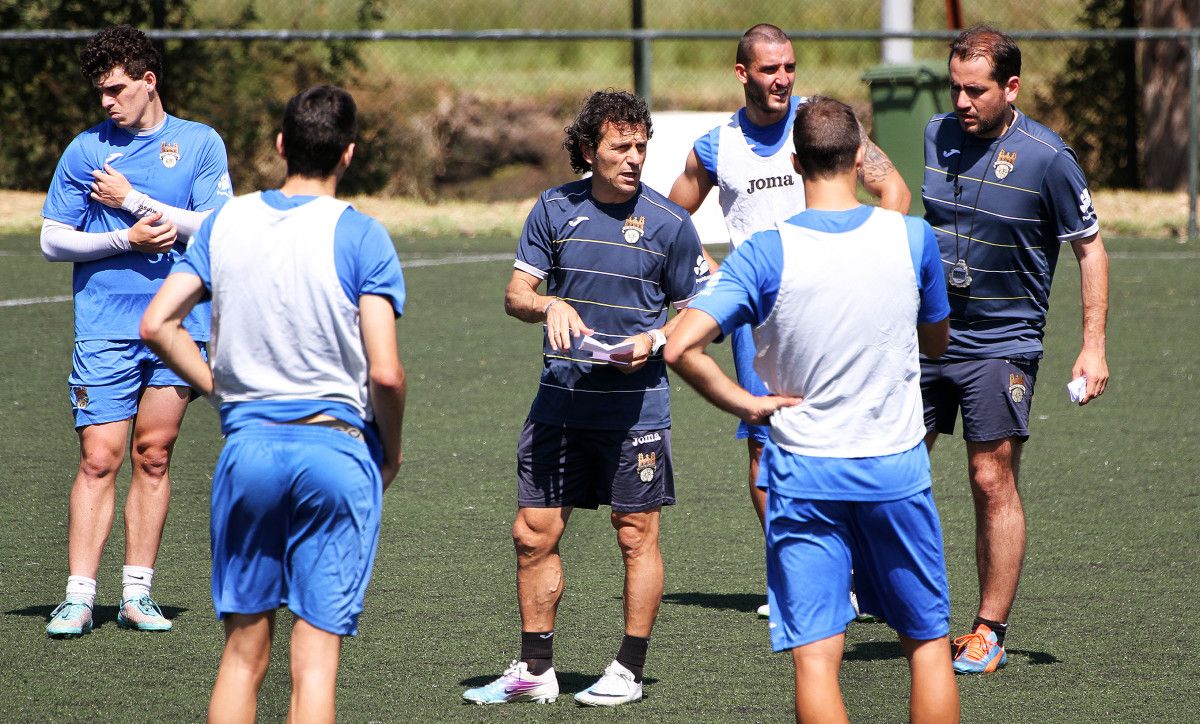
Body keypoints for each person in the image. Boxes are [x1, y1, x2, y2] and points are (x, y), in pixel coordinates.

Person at [664, 96, 958, 724]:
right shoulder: (911, 237)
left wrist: (748, 404)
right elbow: (937, 342)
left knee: (817, 658)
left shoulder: (764, 252)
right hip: (894, 469)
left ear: (795, 163)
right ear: (860, 158)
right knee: (928, 645)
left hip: (802, 473)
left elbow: (680, 346)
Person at [140, 84, 406, 722]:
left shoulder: (226, 223)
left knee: (241, 654)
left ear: (282, 145)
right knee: (313, 664)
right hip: (336, 450)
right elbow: (388, 374)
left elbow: (158, 324)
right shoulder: (363, 236)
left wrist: (220, 390)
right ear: (348, 154)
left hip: (249, 449)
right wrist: (389, 453)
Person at [462, 90, 706, 708]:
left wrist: (653, 340)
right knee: (532, 533)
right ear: (589, 150)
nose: (633, 158)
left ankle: (627, 669)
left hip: (636, 406)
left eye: (641, 147)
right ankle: (536, 668)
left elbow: (701, 309)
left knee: (635, 534)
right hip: (561, 401)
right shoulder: (552, 208)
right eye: (620, 147)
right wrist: (551, 303)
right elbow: (517, 293)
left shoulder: (671, 223)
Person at [668, 23, 910, 618]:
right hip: (763, 317)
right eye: (770, 69)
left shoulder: (821, 126)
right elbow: (670, 220)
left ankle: (854, 573)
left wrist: (865, 253)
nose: (782, 79)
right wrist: (717, 279)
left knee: (847, 428)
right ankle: (793, 574)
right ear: (741, 73)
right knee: (764, 442)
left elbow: (895, 191)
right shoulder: (715, 146)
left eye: (789, 68)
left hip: (836, 302)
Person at [921, 25, 1110, 674]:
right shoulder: (935, 135)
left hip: (1002, 343)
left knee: (989, 476)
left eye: (976, 90)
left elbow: (1089, 246)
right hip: (927, 337)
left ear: (1010, 87)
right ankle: (905, 605)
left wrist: (1092, 346)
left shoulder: (1047, 157)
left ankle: (987, 631)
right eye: (955, 89)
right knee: (894, 467)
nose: (962, 102)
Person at [40, 24, 232, 637]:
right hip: (104, 323)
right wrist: (124, 236)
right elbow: (51, 238)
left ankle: (137, 594)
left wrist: (133, 202)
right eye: (99, 92)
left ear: (149, 82)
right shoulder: (85, 150)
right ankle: (77, 596)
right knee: (100, 457)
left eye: (117, 89)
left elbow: (215, 229)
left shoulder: (200, 144)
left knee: (154, 453)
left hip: (179, 325)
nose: (107, 102)